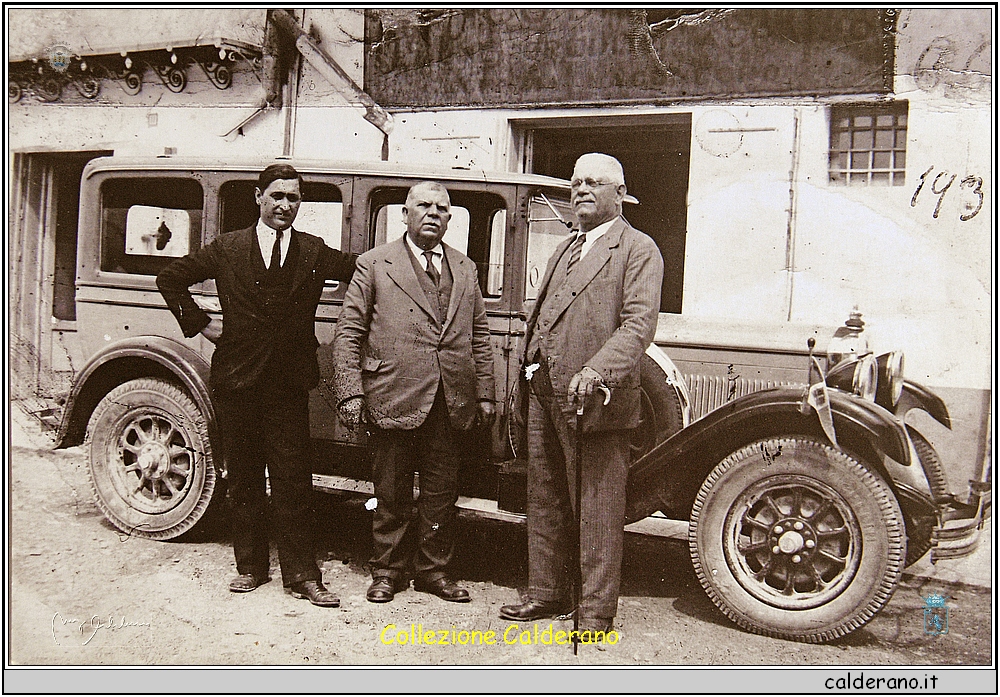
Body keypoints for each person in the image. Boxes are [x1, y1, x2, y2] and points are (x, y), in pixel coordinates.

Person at [156, 163, 356, 607]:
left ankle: (304, 576)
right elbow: (169, 278)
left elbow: (361, 267)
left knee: (294, 482)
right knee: (244, 479)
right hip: (238, 382)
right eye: (278, 196)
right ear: (259, 197)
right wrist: (201, 323)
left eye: (294, 198)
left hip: (287, 386)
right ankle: (250, 567)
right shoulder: (227, 248)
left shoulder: (313, 250)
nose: (286, 205)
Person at [499, 153, 663, 636]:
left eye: (594, 183)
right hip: (545, 394)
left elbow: (638, 325)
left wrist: (596, 369)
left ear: (620, 193)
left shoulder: (638, 249)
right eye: (576, 183)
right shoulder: (566, 248)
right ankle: (547, 594)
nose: (581, 190)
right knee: (545, 497)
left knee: (597, 508)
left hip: (596, 402)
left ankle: (594, 615)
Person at [331, 181, 495, 604]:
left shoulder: (465, 268)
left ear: (449, 219)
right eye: (423, 205)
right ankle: (387, 571)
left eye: (441, 208)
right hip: (392, 393)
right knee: (391, 490)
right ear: (404, 214)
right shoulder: (374, 264)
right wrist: (351, 392)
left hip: (450, 398)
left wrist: (485, 394)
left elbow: (479, 336)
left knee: (442, 491)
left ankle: (433, 572)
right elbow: (349, 333)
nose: (432, 213)